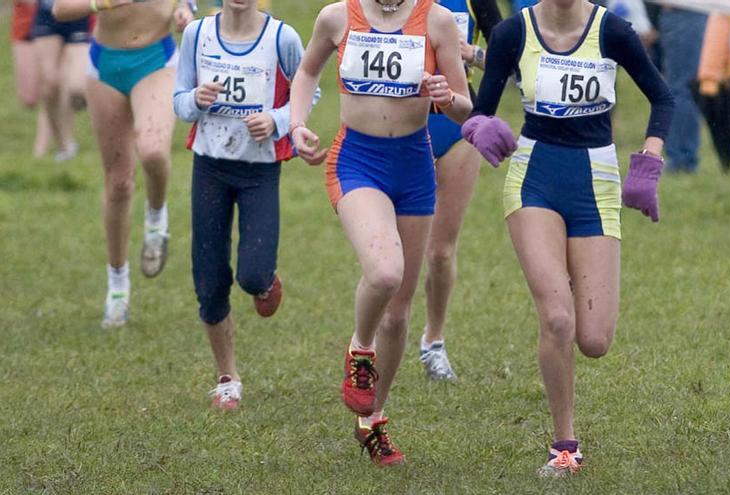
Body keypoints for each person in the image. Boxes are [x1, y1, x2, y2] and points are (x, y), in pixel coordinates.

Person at [461, 0, 673, 477]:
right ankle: (565, 447)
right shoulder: (514, 32)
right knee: (557, 318)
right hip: (534, 180)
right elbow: (481, 110)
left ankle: (574, 279)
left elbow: (664, 98)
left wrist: (649, 159)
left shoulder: (613, 31)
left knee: (594, 340)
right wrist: (480, 128)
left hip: (595, 185)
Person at [289, 0, 471, 466]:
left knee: (399, 312)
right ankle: (360, 349)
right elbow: (307, 71)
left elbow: (465, 106)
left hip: (413, 165)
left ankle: (374, 420)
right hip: (357, 160)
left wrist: (446, 98)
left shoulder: (437, 21)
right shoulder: (336, 16)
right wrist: (296, 124)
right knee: (386, 271)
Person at [174, 0, 314, 410]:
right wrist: (196, 100)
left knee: (252, 276)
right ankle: (227, 378)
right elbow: (179, 103)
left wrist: (278, 121)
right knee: (209, 280)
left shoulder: (281, 37)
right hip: (210, 168)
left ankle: (266, 280)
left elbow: (310, 90)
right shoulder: (196, 35)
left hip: (259, 171)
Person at [53, 0, 194, 328]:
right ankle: (117, 289)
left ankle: (156, 218)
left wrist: (185, 10)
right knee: (118, 183)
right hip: (106, 64)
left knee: (154, 151)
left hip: (156, 59)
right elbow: (60, 10)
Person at [419, 0, 501, 381]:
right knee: (393, 253)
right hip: (400, 123)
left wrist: (474, 53)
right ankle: (373, 340)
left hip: (457, 127)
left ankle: (433, 342)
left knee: (439, 251)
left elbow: (513, 57)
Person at [30, 0, 92, 162]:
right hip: (47, 14)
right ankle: (64, 145)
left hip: (80, 16)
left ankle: (67, 141)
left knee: (76, 88)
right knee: (49, 84)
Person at [658, 6, 707, 174]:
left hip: (684, 12)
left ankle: (682, 159)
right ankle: (683, 156)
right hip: (684, 14)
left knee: (681, 90)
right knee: (681, 89)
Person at [9, 0, 53, 157]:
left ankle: (41, 149)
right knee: (29, 98)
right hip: (25, 21)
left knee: (49, 85)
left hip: (55, 22)